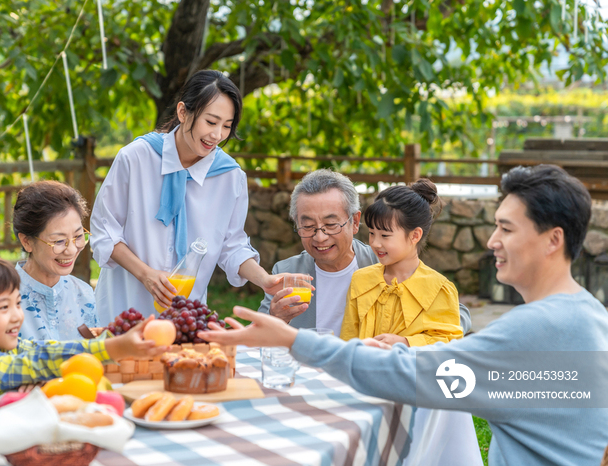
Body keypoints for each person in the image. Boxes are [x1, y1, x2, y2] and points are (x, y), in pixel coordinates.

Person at [200, 165, 608, 465]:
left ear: (553, 240)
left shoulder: (532, 332)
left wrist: (292, 340)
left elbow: (416, 373)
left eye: (506, 228)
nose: (491, 240)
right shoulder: (590, 317)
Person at [91, 70, 286, 326]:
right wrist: (146, 274)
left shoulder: (230, 177)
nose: (217, 135)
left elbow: (232, 246)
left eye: (227, 126)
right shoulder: (135, 158)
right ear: (183, 112)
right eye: (211, 122)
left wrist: (265, 280)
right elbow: (105, 232)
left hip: (186, 318)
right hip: (124, 310)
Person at [0, 249, 168, 426]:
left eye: (17, 304)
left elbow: (46, 350)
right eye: (3, 308)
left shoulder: (6, 347)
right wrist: (114, 347)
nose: (18, 316)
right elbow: (36, 363)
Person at [257, 169, 472, 337]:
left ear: (355, 222)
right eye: (308, 226)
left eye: (331, 224)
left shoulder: (382, 263)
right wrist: (276, 318)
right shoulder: (287, 272)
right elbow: (255, 334)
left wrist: (409, 339)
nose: (319, 237)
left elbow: (457, 314)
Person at [340, 179, 463, 346]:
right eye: (371, 233)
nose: (375, 243)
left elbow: (449, 342)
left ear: (415, 235)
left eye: (385, 235)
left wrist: (406, 342)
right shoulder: (360, 280)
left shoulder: (439, 289)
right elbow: (348, 339)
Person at [13, 181, 99, 341]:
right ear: (27, 241)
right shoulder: (2, 297)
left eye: (78, 236)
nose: (72, 250)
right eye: (59, 241)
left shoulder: (84, 295)